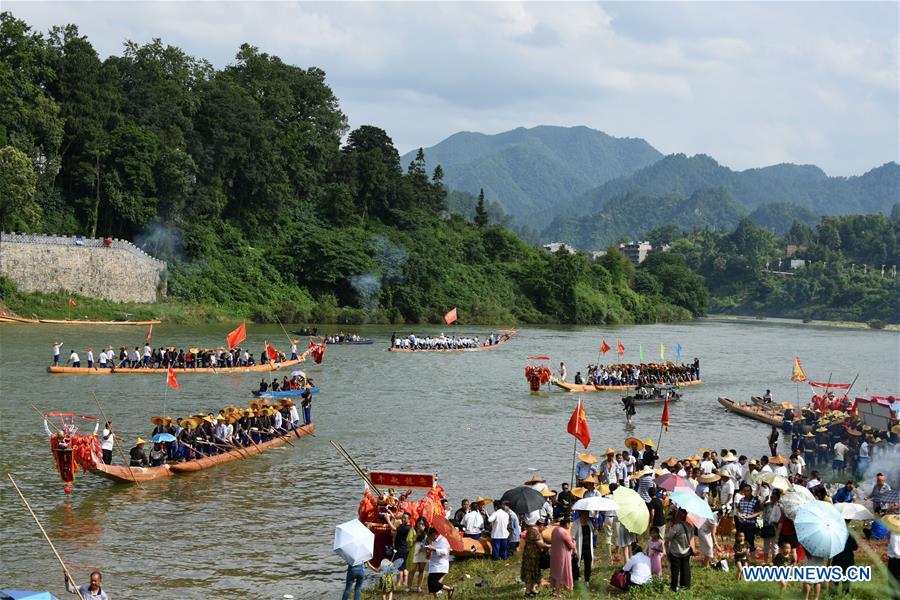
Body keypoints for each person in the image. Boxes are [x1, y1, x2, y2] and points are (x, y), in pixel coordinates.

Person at [665, 508, 695, 592]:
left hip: (675, 552)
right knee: (685, 568)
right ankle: (685, 586)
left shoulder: (676, 527)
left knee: (675, 570)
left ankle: (674, 587)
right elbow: (692, 536)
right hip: (686, 550)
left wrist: (670, 527)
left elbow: (669, 537)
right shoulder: (690, 526)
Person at [521, 519, 550, 598]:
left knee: (533, 572)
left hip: (530, 555)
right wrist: (550, 546)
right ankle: (528, 591)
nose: (544, 529)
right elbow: (541, 545)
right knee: (530, 573)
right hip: (532, 556)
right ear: (541, 525)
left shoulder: (530, 530)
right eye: (544, 527)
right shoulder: (535, 532)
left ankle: (532, 589)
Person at [830, 521, 858, 596]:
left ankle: (834, 593)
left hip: (837, 557)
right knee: (846, 577)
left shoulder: (835, 533)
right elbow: (855, 547)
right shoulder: (851, 534)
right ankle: (845, 593)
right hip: (848, 558)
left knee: (836, 576)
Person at [424, 527, 453, 598]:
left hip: (441, 565)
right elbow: (433, 552)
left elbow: (445, 552)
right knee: (431, 584)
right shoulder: (434, 541)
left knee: (432, 582)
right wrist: (429, 552)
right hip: (433, 565)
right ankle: (436, 597)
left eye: (430, 536)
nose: (429, 538)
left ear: (434, 534)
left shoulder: (443, 540)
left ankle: (449, 589)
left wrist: (433, 549)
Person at [550, 516, 575, 595]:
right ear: (566, 523)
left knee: (556, 571)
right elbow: (571, 545)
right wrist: (574, 542)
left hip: (555, 554)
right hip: (563, 555)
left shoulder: (555, 530)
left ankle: (555, 589)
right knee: (563, 571)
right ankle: (559, 591)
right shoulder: (564, 532)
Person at [735, 483, 761, 554]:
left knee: (750, 541)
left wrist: (749, 517)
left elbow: (757, 512)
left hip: (750, 524)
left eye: (748, 491)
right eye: (745, 491)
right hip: (742, 523)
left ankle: (750, 557)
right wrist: (739, 514)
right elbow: (738, 510)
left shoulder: (755, 501)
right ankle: (741, 555)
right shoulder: (741, 500)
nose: (746, 492)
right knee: (741, 540)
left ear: (751, 491)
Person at [571, 510, 595, 583]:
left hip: (588, 547)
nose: (587, 516)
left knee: (588, 564)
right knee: (576, 563)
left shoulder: (589, 522)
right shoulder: (576, 523)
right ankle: (576, 578)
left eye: (588, 514)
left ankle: (587, 580)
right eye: (586, 514)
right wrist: (574, 549)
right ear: (582, 514)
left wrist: (595, 528)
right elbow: (573, 537)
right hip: (579, 547)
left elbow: (593, 532)